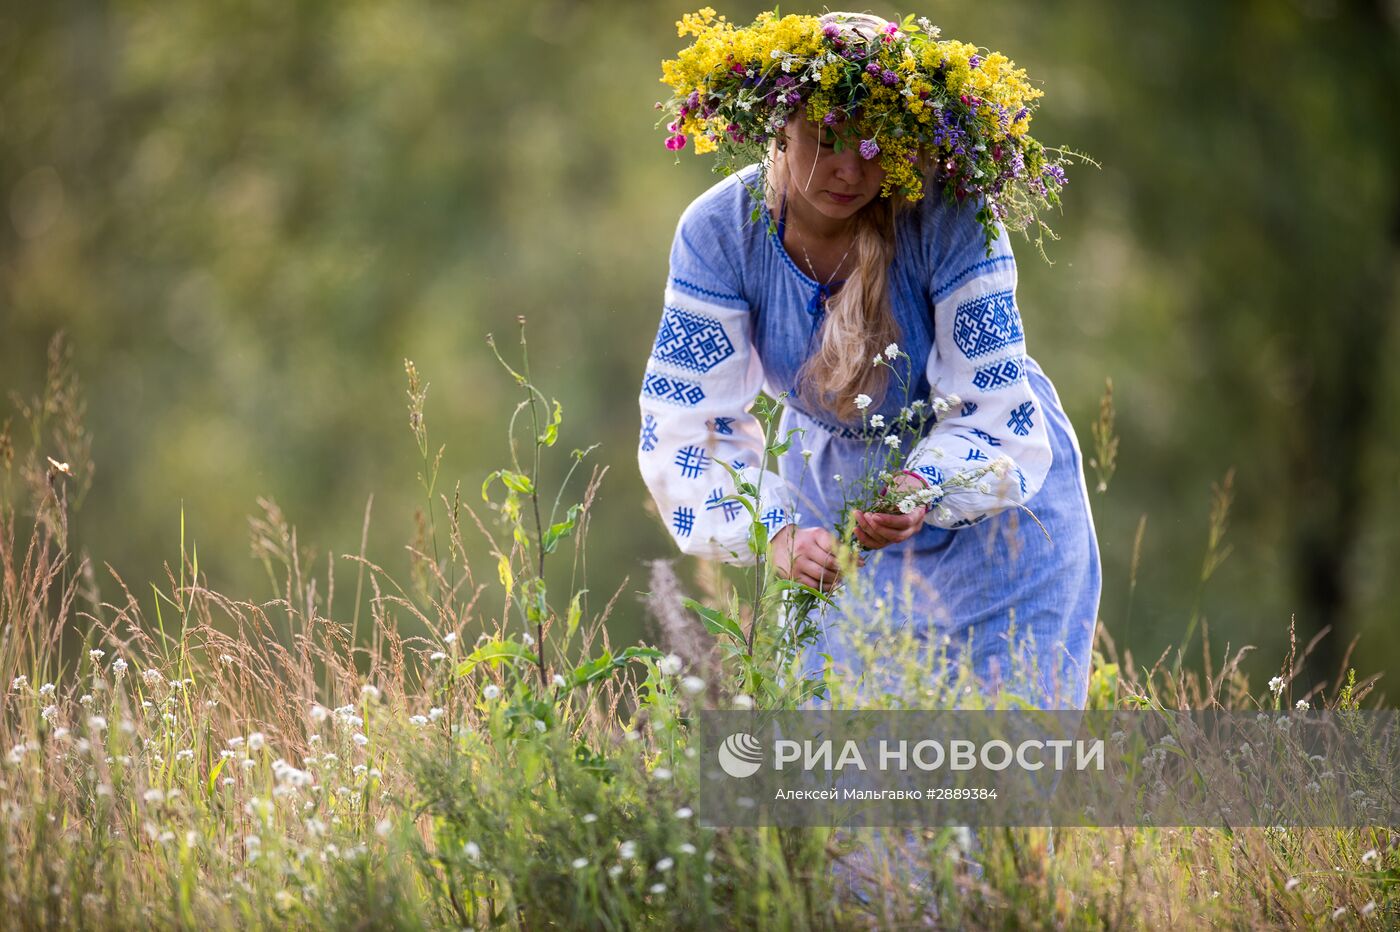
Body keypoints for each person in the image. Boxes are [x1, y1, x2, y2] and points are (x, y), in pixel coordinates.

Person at [640, 11, 1101, 713]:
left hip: (996, 515)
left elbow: (994, 403)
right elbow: (688, 422)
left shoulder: (952, 215)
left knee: (1002, 782)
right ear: (778, 127)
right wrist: (777, 533)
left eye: (875, 140)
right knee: (853, 780)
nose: (850, 168)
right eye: (825, 138)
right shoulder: (720, 231)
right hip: (833, 518)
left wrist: (922, 485)